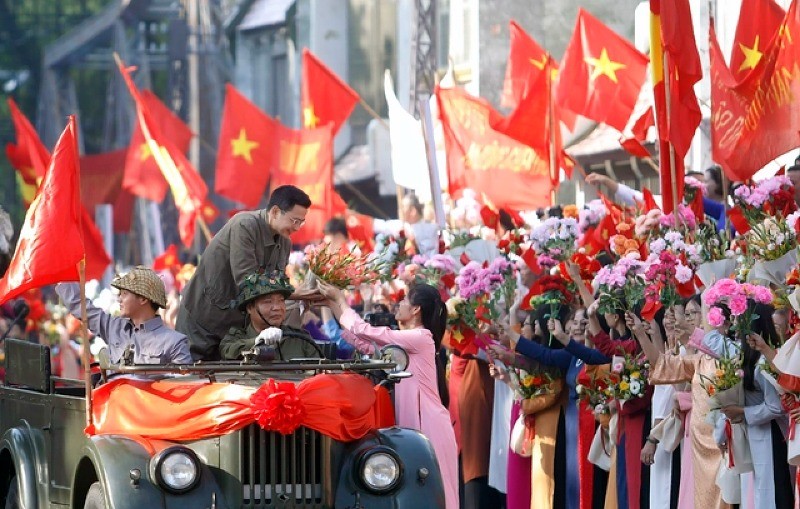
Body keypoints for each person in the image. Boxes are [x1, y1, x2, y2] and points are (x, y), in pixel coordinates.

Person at [318, 280, 459, 509]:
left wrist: (342, 300)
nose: (398, 305)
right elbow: (366, 345)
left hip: (430, 426)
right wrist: (334, 304)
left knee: (438, 496)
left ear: (416, 309)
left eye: (403, 300)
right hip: (417, 424)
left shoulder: (421, 337)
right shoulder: (409, 341)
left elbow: (367, 331)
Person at [177, 185, 313, 361]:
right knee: (190, 376)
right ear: (275, 211)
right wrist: (295, 294)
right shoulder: (245, 225)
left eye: (301, 222)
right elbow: (248, 282)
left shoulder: (284, 242)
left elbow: (278, 283)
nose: (297, 228)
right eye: (294, 220)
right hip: (203, 319)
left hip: (235, 326)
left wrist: (306, 295)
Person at [55, 266, 191, 365]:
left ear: (143, 299)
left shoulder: (175, 343)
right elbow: (81, 307)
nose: (119, 299)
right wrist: (60, 269)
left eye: (124, 294)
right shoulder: (114, 328)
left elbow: (183, 390)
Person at [219, 271, 321, 361]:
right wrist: (257, 341)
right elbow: (227, 350)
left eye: (281, 301)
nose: (277, 307)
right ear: (250, 308)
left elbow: (319, 374)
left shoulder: (301, 339)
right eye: (268, 302)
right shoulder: (236, 338)